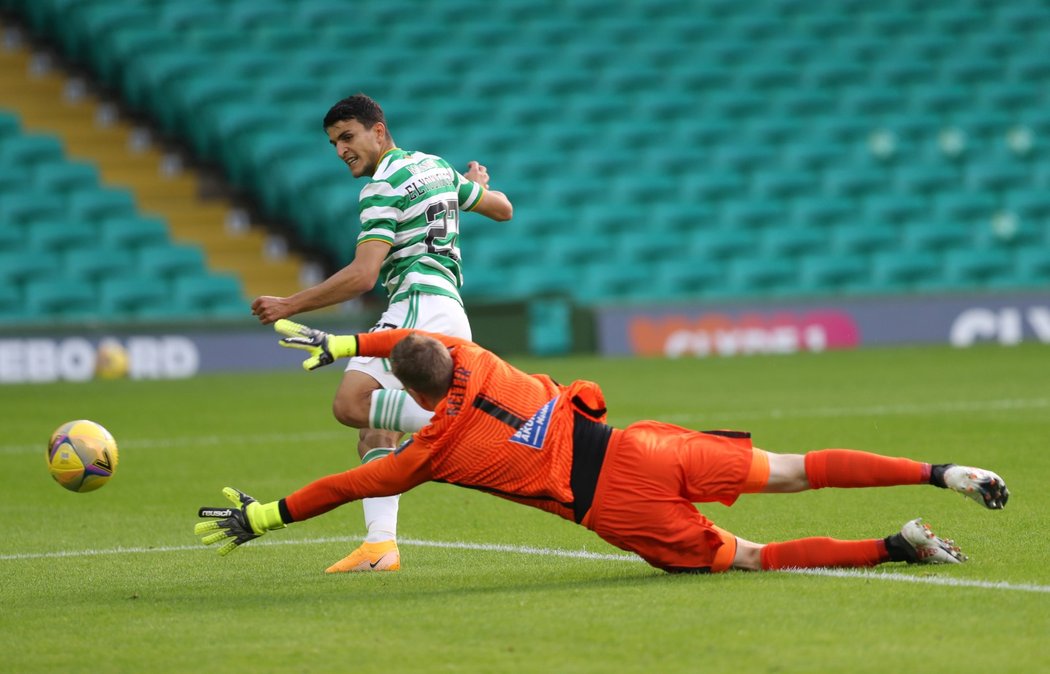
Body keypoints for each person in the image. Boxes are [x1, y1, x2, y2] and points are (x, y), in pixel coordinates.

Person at [196, 320, 1010, 573]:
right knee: (794, 471)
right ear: (450, 356)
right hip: (639, 446)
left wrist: (264, 516)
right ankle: (943, 472)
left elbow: (345, 484)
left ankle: (896, 547)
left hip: (615, 504)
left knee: (755, 557)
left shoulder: (432, 448)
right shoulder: (479, 358)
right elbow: (410, 335)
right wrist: (346, 342)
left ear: (410, 392)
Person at [249, 94, 514, 573]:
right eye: (333, 143)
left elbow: (363, 276)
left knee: (350, 404)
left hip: (416, 307)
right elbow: (503, 210)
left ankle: (475, 434)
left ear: (379, 131)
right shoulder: (435, 168)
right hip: (452, 312)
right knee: (376, 426)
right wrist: (474, 186)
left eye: (347, 137)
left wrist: (290, 304)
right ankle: (379, 546)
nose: (340, 151)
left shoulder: (381, 186)